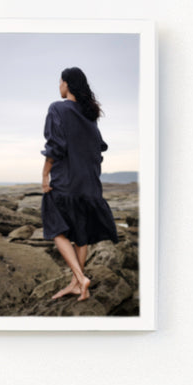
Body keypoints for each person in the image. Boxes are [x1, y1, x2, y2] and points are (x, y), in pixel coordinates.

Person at [40, 66, 120, 303]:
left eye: (60, 82)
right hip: (90, 183)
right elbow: (98, 148)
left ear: (66, 84)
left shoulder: (57, 108)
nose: (59, 87)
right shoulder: (90, 114)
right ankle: (76, 284)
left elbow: (54, 145)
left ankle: (80, 278)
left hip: (66, 181)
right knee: (81, 234)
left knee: (56, 228)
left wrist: (45, 175)